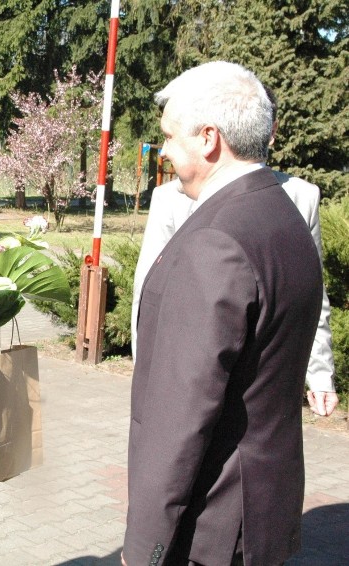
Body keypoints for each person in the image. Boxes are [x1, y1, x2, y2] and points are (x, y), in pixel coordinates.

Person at [122, 61, 322, 565]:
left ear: (209, 139)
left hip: (212, 521)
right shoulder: (283, 213)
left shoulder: (216, 239)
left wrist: (143, 546)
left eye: (169, 136)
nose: (162, 151)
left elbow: (182, 413)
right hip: (264, 508)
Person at [131, 92, 338, 417]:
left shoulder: (302, 197)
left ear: (271, 130)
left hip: (263, 392)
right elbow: (148, 295)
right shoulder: (170, 199)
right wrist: (147, 378)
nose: (166, 148)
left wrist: (320, 374)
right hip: (186, 379)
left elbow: (310, 296)